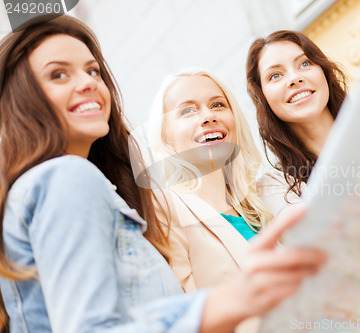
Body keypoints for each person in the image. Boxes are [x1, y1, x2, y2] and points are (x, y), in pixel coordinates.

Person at [0, 15, 326, 332]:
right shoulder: (69, 178)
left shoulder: (94, 188)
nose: (88, 82)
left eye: (93, 71)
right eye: (58, 75)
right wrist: (229, 300)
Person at [141, 68, 272, 294]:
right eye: (187, 111)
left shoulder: (260, 200)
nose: (209, 117)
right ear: (165, 136)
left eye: (217, 105)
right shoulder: (163, 210)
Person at [246, 30, 347, 216]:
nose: (294, 78)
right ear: (263, 97)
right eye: (275, 75)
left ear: (324, 71)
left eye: (305, 63)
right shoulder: (274, 185)